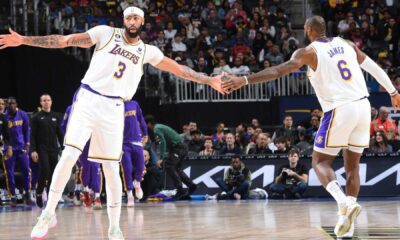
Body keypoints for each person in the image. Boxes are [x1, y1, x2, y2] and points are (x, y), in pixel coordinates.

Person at [0, 6, 223, 240]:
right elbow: (64, 40)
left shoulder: (148, 51)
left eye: (136, 17)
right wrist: (24, 40)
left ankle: (114, 228)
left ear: (143, 21)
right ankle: (47, 214)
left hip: (115, 107)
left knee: (111, 168)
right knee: (69, 155)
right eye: (128, 17)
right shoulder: (106, 33)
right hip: (89, 97)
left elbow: (180, 70)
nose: (132, 21)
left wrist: (208, 80)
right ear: (123, 20)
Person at [221, 15, 400, 238]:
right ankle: (347, 223)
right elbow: (373, 67)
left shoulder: (308, 52)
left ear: (307, 30)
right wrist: (393, 91)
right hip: (364, 107)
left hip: (339, 108)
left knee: (320, 162)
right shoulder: (348, 44)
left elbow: (278, 71)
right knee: (352, 166)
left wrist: (245, 80)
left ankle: (343, 201)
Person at [145, 115, 197, 201]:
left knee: (169, 166)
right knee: (176, 168)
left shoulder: (156, 129)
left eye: (145, 124)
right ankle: (191, 185)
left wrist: (161, 157)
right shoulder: (159, 127)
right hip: (181, 147)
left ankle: (181, 190)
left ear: (149, 124)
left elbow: (163, 142)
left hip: (178, 147)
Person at [30, 94, 64, 208]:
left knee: (54, 174)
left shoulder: (56, 116)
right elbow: (32, 135)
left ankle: (50, 198)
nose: (46, 102)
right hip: (41, 148)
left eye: (48, 100)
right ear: (41, 102)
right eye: (44, 100)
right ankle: (39, 192)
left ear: (51, 102)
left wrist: (64, 148)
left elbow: (60, 133)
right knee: (45, 170)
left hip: (53, 148)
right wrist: (33, 150)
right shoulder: (36, 117)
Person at [3, 97, 31, 207]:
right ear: (6, 105)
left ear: (16, 104)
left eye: (13, 103)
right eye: (9, 104)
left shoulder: (23, 114)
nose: (11, 105)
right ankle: (12, 196)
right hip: (8, 150)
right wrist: (6, 147)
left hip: (21, 149)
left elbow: (27, 130)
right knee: (9, 173)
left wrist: (28, 143)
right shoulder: (4, 117)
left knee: (26, 171)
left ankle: (27, 193)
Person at [121, 100, 148, 207]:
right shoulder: (115, 104)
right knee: (126, 169)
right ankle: (129, 194)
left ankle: (137, 182)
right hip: (123, 142)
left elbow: (141, 118)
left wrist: (145, 133)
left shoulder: (134, 103)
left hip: (137, 140)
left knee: (141, 167)